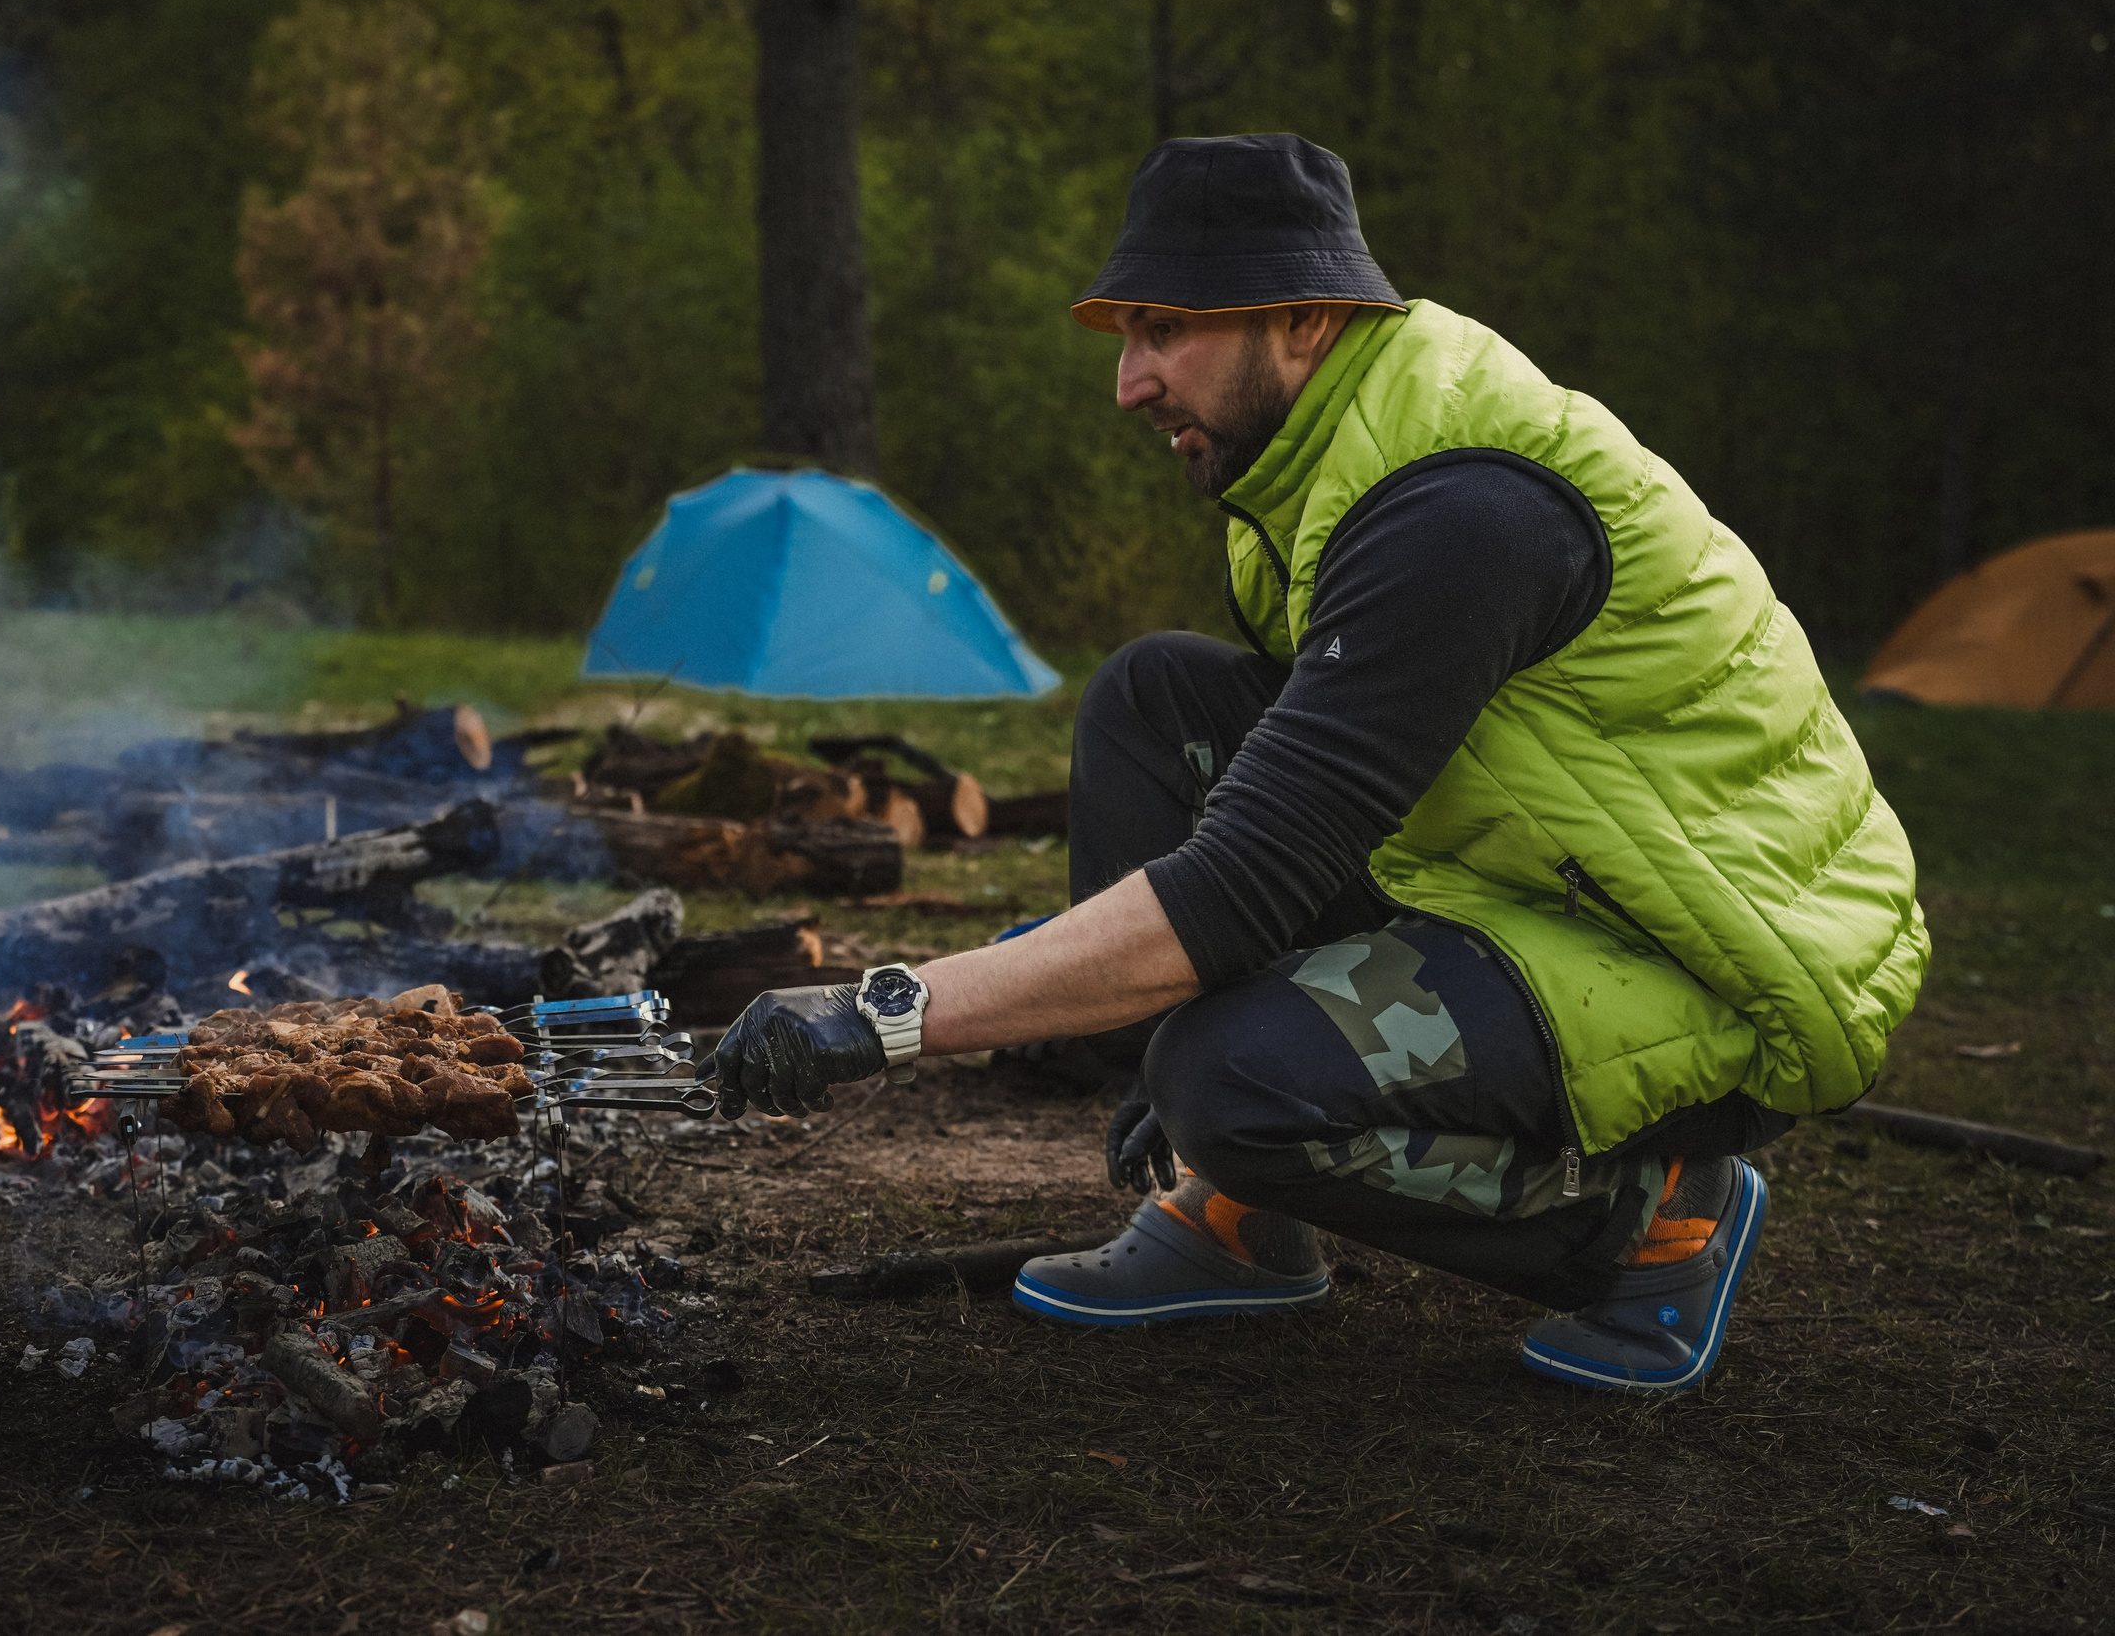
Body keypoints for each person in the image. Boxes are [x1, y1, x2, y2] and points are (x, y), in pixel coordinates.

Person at [707, 134, 1928, 1392]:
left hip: (1696, 945)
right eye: (1126, 335)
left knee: (1223, 1075)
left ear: (1301, 320)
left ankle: (1657, 1220)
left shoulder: (1457, 512)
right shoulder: (1334, 459)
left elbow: (1246, 880)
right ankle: (1241, 1218)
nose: (1129, 384)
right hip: (1531, 869)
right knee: (1151, 698)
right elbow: (1297, 802)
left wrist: (882, 1013)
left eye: (1164, 330)